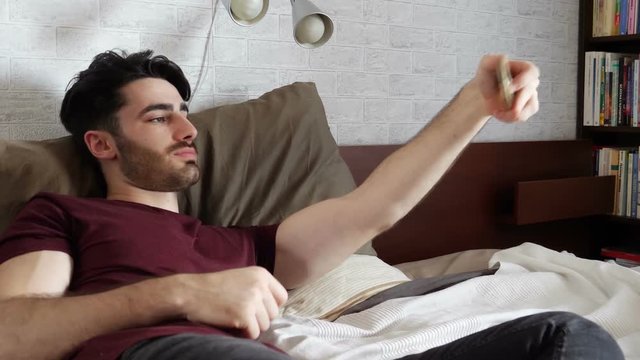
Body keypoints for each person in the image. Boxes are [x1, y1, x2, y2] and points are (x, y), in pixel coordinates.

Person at [0, 50, 623, 360]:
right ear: (102, 143)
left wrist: (473, 106)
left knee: (564, 336)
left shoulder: (242, 247)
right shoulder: (64, 214)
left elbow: (372, 209)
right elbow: (12, 332)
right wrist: (179, 294)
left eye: (186, 114)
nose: (189, 130)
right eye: (160, 118)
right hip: (157, 352)